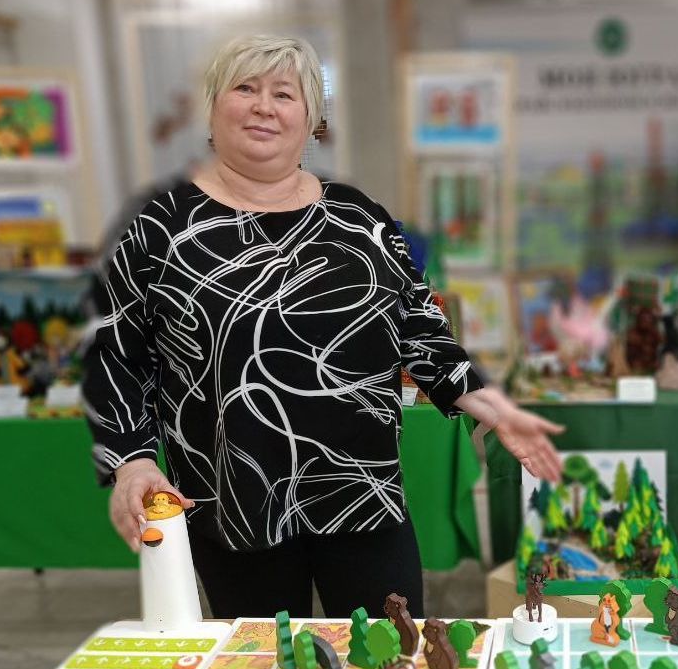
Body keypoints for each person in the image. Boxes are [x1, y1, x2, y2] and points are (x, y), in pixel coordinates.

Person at [83, 34, 563, 620]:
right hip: (234, 505)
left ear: (311, 119)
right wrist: (132, 459)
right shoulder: (158, 227)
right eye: (245, 88)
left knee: (389, 656)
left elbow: (420, 328)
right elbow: (116, 353)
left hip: (363, 495)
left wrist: (495, 408)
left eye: (284, 94)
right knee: (265, 664)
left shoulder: (359, 218)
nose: (264, 107)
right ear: (212, 107)